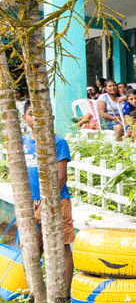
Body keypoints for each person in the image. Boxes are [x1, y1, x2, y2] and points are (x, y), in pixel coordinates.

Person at [22, 101, 75, 290]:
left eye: (41, 113)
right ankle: (35, 291)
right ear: (24, 118)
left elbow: (61, 177)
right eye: (31, 114)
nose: (36, 118)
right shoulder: (22, 142)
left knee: (61, 245)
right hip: (30, 201)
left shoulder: (58, 142)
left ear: (51, 118)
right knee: (32, 246)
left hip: (56, 201)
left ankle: (64, 294)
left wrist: (44, 206)